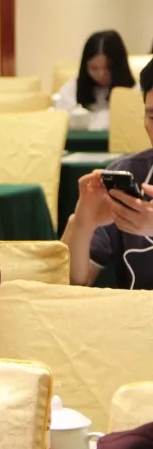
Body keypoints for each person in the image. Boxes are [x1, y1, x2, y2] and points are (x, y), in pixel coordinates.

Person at [62, 58, 153, 289]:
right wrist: (82, 225)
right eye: (152, 117)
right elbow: (69, 287)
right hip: (131, 312)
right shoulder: (128, 174)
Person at [55, 30, 136, 130]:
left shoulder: (136, 92)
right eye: (94, 68)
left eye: (108, 68)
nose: (101, 74)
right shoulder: (71, 89)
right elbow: (61, 122)